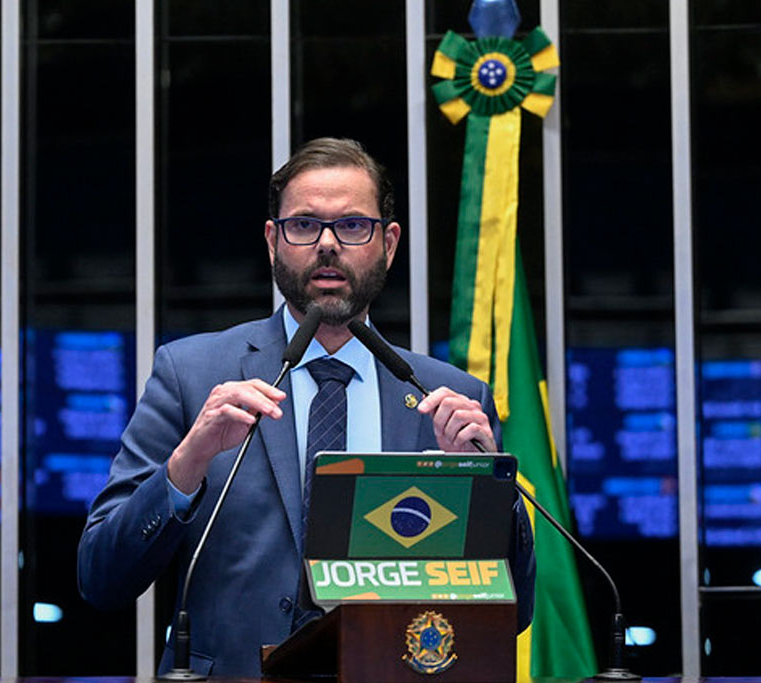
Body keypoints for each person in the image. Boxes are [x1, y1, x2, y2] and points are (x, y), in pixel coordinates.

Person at [77, 137, 535, 676]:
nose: (326, 245)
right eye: (303, 225)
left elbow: (517, 611)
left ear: (388, 243)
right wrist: (186, 465)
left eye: (352, 226)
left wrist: (483, 488)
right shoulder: (192, 375)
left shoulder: (449, 399)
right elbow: (101, 577)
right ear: (272, 241)